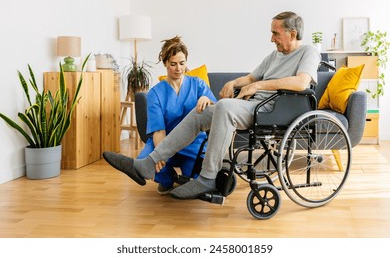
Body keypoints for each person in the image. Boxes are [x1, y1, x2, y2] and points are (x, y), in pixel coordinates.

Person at [103, 11, 321, 199]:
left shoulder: (308, 52)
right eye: (272, 32)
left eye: (276, 33)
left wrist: (258, 86)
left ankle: (207, 177)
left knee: (225, 107)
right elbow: (252, 78)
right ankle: (148, 163)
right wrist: (234, 82)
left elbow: (302, 82)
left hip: (273, 110)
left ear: (292, 34)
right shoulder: (274, 55)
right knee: (202, 111)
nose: (271, 38)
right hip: (255, 106)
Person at [136, 36, 217, 194]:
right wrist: (161, 155)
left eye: (182, 63)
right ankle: (167, 179)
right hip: (165, 141)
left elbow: (216, 109)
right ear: (165, 63)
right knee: (145, 162)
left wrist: (206, 98)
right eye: (173, 64)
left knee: (195, 177)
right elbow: (158, 131)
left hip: (192, 144)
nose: (179, 68)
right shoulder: (155, 93)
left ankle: (187, 173)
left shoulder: (198, 84)